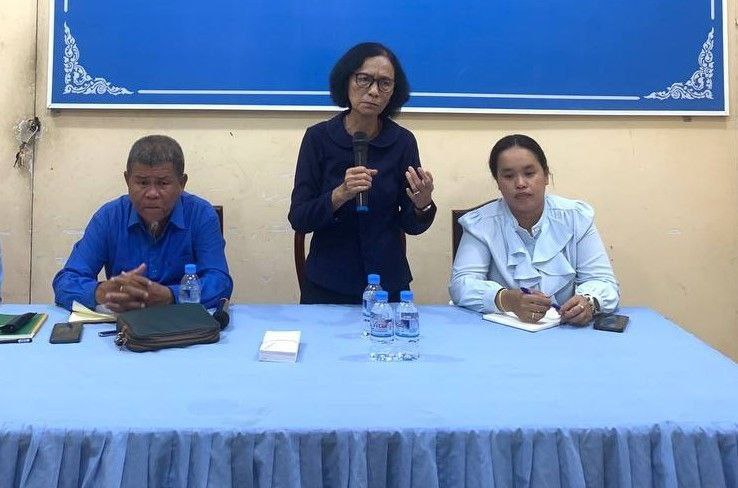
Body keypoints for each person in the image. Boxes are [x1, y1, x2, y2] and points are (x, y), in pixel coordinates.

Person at [288, 42, 436, 304]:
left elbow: (411, 226)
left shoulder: (402, 142)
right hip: (328, 281)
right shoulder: (318, 138)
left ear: (394, 91)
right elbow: (299, 218)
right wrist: (339, 194)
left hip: (388, 281)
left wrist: (422, 205)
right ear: (346, 81)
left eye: (384, 83)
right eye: (364, 79)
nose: (374, 91)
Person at [449, 134, 619, 324]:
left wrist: (589, 302)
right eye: (508, 176)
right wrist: (505, 299)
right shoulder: (480, 224)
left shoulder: (576, 217)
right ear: (497, 182)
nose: (520, 183)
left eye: (529, 173)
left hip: (566, 329)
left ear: (546, 176)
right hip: (499, 331)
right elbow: (460, 285)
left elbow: (604, 282)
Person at [53, 135, 233, 312]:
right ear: (127, 181)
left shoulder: (201, 215)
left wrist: (171, 295)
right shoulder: (108, 217)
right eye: (143, 183)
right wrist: (100, 292)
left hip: (184, 323)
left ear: (182, 183)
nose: (152, 193)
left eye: (163, 183)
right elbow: (66, 282)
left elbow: (220, 282)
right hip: (123, 324)